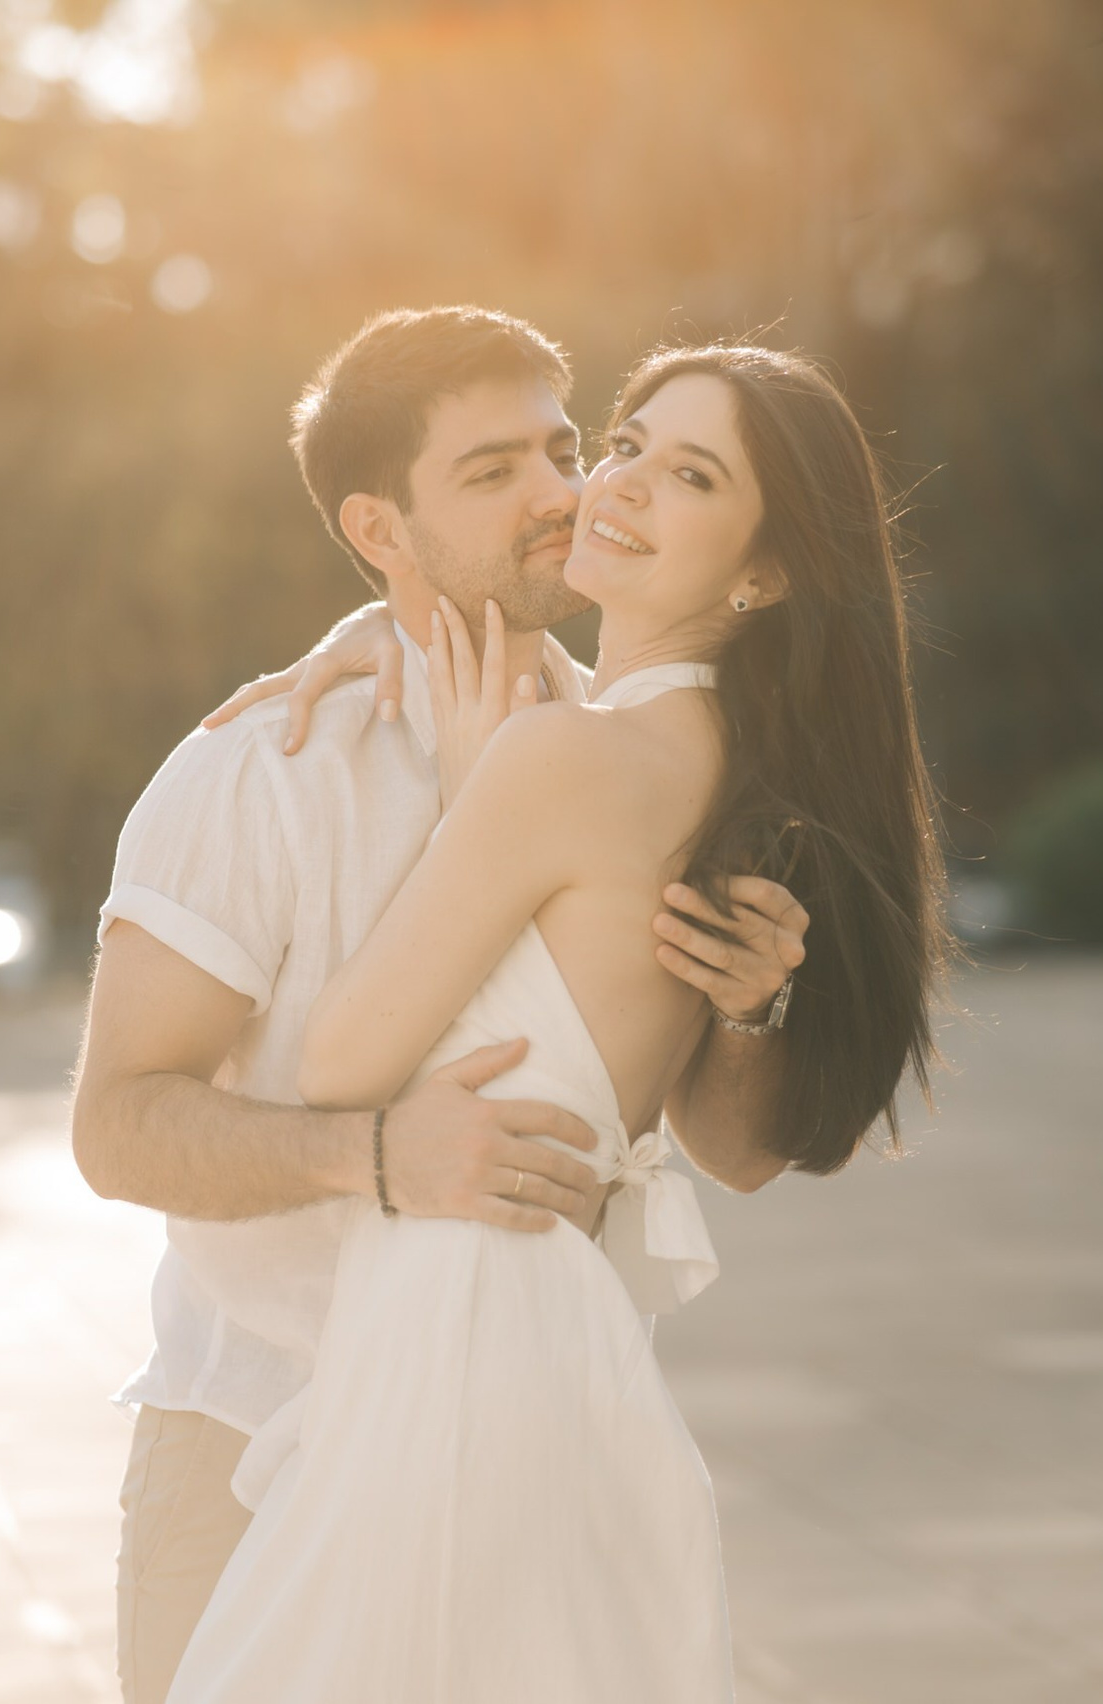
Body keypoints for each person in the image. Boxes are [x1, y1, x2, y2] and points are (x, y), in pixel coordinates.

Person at [163, 343, 947, 1702]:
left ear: (762, 572)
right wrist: (389, 638)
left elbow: (340, 1061)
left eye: (691, 475)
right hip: (562, 1341)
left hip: (459, 1326)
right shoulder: (741, 775)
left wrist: (479, 792)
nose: (618, 483)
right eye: (625, 443)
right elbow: (725, 1141)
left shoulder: (553, 754)